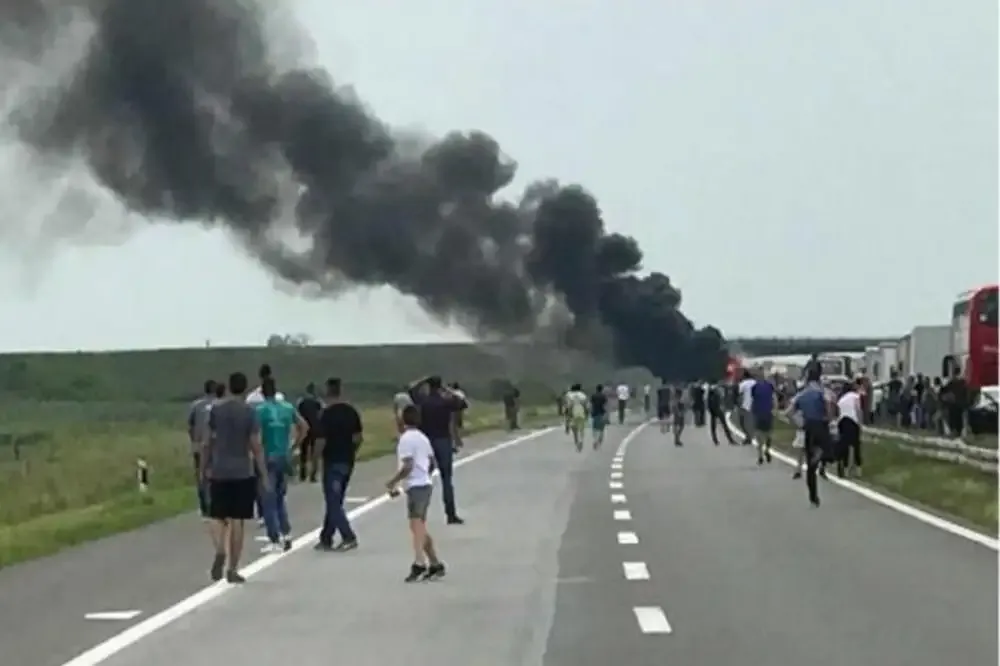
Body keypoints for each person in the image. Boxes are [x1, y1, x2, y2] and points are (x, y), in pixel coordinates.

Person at [199, 371, 269, 583]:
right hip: (242, 470)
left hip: (219, 469)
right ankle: (233, 568)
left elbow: (206, 442)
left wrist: (203, 468)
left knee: (216, 516)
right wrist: (263, 474)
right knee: (238, 519)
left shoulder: (216, 411)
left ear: (229, 386)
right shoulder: (249, 412)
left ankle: (220, 548)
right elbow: (256, 446)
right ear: (245, 388)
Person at [385, 404, 446, 582]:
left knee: (416, 523)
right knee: (419, 526)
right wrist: (424, 474)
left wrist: (393, 481)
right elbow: (432, 462)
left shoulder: (405, 439)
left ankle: (419, 562)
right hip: (424, 483)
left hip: (415, 485)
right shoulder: (423, 438)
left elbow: (408, 465)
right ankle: (435, 563)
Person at [255, 377, 307, 553]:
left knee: (267, 498)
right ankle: (286, 532)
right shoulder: (287, 407)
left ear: (262, 392)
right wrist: (294, 445)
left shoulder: (260, 410)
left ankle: (274, 537)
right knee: (279, 497)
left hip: (268, 456)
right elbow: (304, 426)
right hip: (284, 456)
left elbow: (256, 435)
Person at [315, 378, 363, 552]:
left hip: (332, 460)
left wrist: (315, 460)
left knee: (333, 501)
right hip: (347, 460)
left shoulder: (325, 415)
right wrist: (351, 451)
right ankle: (326, 537)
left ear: (328, 392)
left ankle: (348, 535)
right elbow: (358, 438)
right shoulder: (351, 412)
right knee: (335, 499)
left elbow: (321, 441)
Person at [413, 375, 466, 525]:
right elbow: (462, 402)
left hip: (426, 440)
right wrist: (448, 389)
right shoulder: (445, 402)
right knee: (446, 478)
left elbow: (411, 390)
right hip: (443, 439)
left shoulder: (424, 401)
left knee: (423, 477)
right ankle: (451, 514)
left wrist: (421, 380)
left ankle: (419, 512)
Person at [785, 367, 831, 507]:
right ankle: (820, 455)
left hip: (808, 428)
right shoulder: (822, 392)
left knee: (811, 466)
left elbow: (788, 412)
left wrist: (799, 422)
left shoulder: (802, 394)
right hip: (821, 425)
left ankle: (813, 496)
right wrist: (828, 419)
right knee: (829, 451)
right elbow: (829, 407)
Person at [188, 379, 217, 523]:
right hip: (216, 446)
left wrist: (193, 440)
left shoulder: (196, 405)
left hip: (199, 445)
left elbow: (190, 425)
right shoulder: (220, 405)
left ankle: (204, 507)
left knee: (201, 475)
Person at [295, 383, 323, 482]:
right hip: (316, 428)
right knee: (315, 452)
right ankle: (313, 474)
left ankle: (303, 473)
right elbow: (321, 414)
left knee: (304, 451)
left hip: (305, 428)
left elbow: (298, 415)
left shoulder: (301, 402)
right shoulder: (318, 402)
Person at [836, 380, 863, 478]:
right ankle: (858, 469)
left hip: (842, 422)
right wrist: (860, 423)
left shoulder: (841, 399)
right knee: (856, 446)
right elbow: (858, 409)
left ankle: (845, 468)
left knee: (845, 446)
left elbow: (839, 413)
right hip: (852, 421)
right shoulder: (855, 396)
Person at [750, 376, 775, 465]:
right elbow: (773, 397)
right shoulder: (770, 386)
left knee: (758, 434)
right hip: (768, 412)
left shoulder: (754, 387)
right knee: (769, 433)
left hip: (758, 413)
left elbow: (753, 398)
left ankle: (760, 456)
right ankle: (767, 449)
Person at [563, 383, 589, 452]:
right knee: (581, 429)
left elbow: (568, 406)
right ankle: (581, 440)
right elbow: (586, 406)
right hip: (581, 413)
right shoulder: (583, 395)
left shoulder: (569, 395)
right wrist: (587, 414)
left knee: (574, 429)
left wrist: (567, 414)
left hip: (573, 414)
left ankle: (577, 441)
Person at [737, 369, 757, 446]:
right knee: (751, 422)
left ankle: (748, 437)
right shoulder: (756, 383)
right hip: (755, 405)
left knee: (742, 422)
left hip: (745, 405)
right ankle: (750, 437)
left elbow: (738, 393)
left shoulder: (743, 384)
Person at [449, 382, 468, 452]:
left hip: (455, 412)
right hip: (459, 411)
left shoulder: (454, 393)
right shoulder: (461, 393)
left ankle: (457, 442)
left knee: (453, 428)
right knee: (457, 426)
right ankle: (458, 442)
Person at [590, 383, 609, 450]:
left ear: (596, 389)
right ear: (602, 389)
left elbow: (591, 405)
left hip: (594, 414)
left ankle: (595, 440)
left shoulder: (593, 396)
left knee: (594, 429)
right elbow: (606, 406)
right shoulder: (603, 396)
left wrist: (590, 412)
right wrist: (607, 415)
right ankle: (599, 440)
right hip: (602, 414)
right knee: (601, 429)